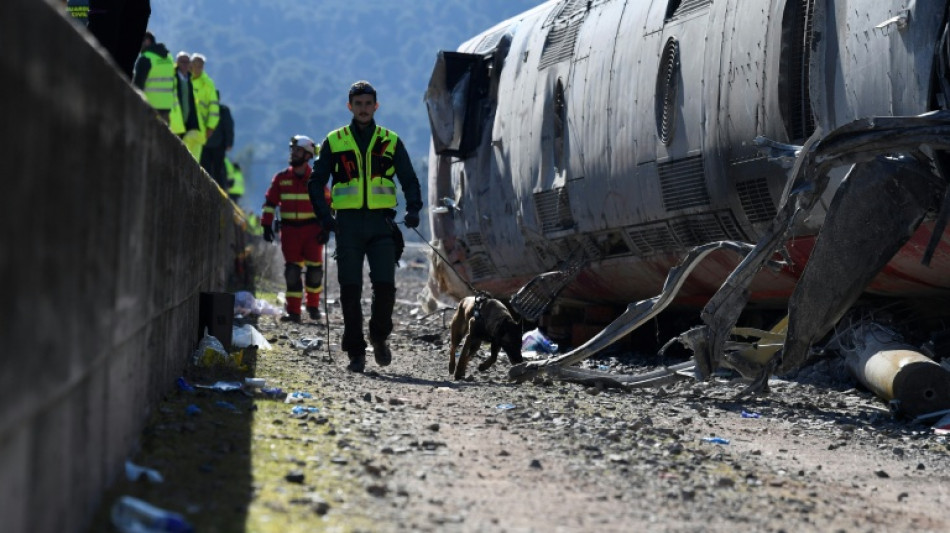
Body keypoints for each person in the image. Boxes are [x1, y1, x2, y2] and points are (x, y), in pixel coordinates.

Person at [306, 80, 423, 373]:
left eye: (368, 104)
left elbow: (408, 178)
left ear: (376, 106)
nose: (363, 109)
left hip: (382, 225)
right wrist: (324, 217)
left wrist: (413, 209)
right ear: (350, 106)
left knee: (385, 288)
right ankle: (356, 351)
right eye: (358, 104)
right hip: (347, 227)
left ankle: (379, 336)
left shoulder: (390, 140)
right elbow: (316, 180)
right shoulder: (335, 140)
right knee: (350, 291)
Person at [262, 135, 331, 323]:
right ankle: (293, 312)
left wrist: (327, 228)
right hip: (290, 233)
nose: (293, 153)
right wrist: (266, 223)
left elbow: (328, 205)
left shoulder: (316, 180)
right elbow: (270, 203)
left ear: (308, 155)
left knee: (315, 272)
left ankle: (313, 306)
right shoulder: (281, 178)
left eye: (298, 150)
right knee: (292, 272)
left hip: (312, 232)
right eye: (292, 150)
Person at [132, 31, 174, 124]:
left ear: (147, 41)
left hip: (148, 109)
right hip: (166, 110)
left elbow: (137, 85)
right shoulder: (169, 58)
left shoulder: (146, 58)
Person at [170, 52, 202, 159]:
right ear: (177, 63)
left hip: (188, 122)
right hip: (176, 121)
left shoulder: (190, 79)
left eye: (187, 62)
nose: (184, 64)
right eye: (182, 61)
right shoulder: (172, 77)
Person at [190, 53, 220, 165]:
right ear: (191, 65)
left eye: (200, 66)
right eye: (195, 65)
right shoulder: (184, 78)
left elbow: (214, 108)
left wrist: (211, 127)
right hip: (183, 126)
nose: (197, 68)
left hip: (199, 128)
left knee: (194, 161)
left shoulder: (208, 84)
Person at [201, 90, 233, 190]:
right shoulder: (223, 110)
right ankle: (219, 190)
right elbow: (228, 127)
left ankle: (208, 189)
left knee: (206, 169)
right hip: (217, 145)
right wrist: (229, 143)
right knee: (218, 170)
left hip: (206, 144)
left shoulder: (205, 109)